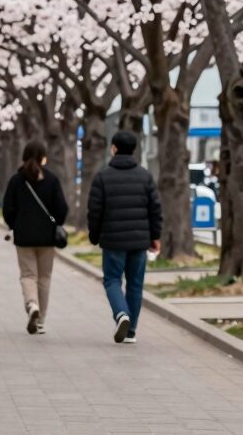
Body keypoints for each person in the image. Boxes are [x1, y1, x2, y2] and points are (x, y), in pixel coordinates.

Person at [87, 129, 163, 345]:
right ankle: (131, 332)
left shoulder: (102, 177)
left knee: (112, 280)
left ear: (114, 149)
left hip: (112, 241)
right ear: (134, 151)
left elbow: (94, 210)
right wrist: (155, 237)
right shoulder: (145, 177)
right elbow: (155, 209)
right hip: (140, 241)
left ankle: (121, 314)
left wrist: (94, 235)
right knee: (135, 285)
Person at [2, 140, 68, 335]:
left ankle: (32, 304)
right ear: (43, 157)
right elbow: (62, 208)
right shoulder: (52, 179)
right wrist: (56, 223)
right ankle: (40, 321)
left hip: (24, 236)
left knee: (28, 275)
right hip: (47, 237)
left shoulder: (16, 180)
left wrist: (15, 225)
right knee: (44, 278)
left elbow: (8, 209)